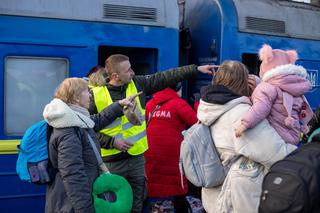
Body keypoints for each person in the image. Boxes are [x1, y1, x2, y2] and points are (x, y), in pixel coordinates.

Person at [88, 54, 214, 213]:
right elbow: (87, 130)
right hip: (111, 163)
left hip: (137, 160)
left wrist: (196, 69)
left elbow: (165, 77)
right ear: (115, 76)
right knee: (113, 207)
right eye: (128, 70)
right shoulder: (95, 95)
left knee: (137, 205)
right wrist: (112, 142)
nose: (133, 72)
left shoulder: (137, 84)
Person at [197, 60, 296, 213]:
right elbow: (278, 154)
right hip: (238, 201)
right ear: (244, 82)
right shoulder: (242, 115)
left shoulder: (207, 109)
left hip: (215, 199)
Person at [43, 77, 133, 213]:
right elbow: (73, 175)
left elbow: (97, 120)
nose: (90, 95)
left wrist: (119, 105)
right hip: (70, 205)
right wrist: (85, 209)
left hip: (72, 201)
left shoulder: (76, 120)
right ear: (76, 98)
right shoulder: (68, 130)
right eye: (86, 91)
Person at [235, 44, 313, 145]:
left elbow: (260, 107)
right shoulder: (295, 87)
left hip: (277, 136)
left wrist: (245, 124)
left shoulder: (267, 87)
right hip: (294, 135)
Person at [144, 83, 198, 212]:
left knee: (152, 182)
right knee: (176, 185)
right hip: (173, 153)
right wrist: (197, 104)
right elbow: (196, 123)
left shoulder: (150, 104)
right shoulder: (178, 103)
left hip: (150, 151)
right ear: (177, 89)